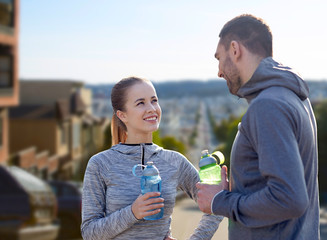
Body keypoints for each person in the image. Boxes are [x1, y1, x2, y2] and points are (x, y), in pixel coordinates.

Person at [196, 14, 320, 239]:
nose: (219, 71)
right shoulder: (293, 97)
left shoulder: (267, 105)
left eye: (219, 58)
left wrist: (219, 201)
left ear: (235, 49)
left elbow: (289, 199)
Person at [81, 77, 223, 240]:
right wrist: (133, 212)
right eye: (140, 103)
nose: (151, 109)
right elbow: (89, 232)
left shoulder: (174, 161)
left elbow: (215, 204)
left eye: (154, 101)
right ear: (122, 115)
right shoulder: (100, 164)